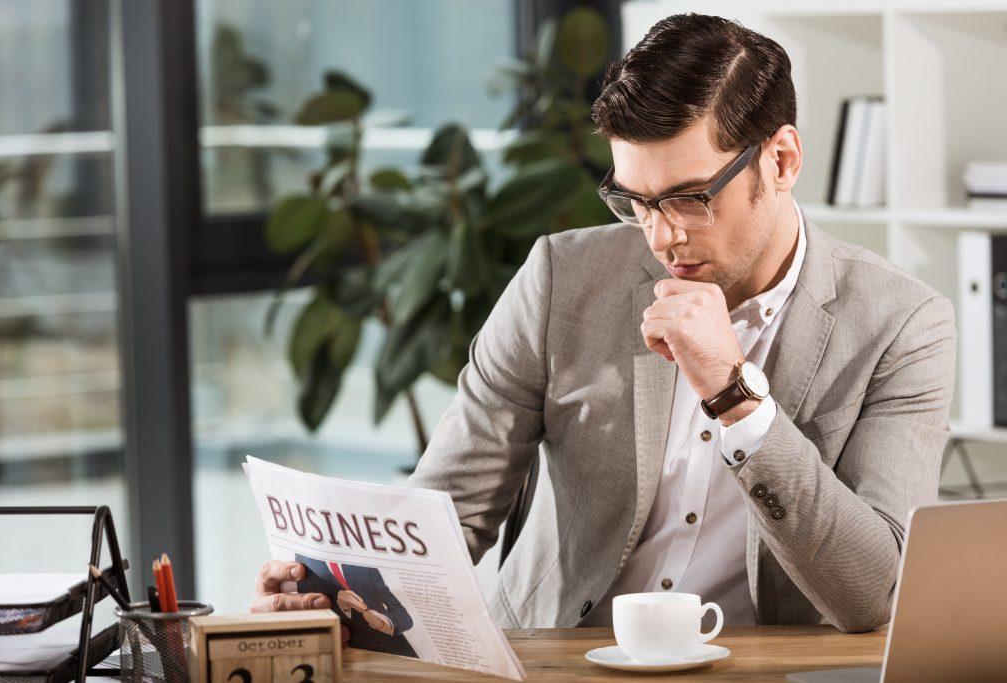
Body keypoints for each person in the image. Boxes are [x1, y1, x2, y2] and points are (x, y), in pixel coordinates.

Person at [254, 12, 956, 633]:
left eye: (688, 198)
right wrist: (336, 586)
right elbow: (448, 510)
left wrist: (736, 395)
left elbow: (875, 592)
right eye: (637, 201)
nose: (660, 236)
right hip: (563, 659)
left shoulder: (902, 325)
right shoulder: (563, 278)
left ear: (780, 160)